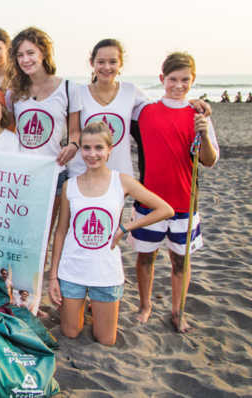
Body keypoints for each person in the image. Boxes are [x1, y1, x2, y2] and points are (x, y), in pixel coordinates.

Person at [48, 121, 174, 345]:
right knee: (70, 332)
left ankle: (92, 308)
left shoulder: (122, 181)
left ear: (109, 149)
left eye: (99, 148)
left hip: (105, 271)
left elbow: (165, 209)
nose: (92, 154)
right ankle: (81, 309)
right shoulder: (71, 185)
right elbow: (60, 232)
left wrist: (125, 227)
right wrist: (53, 275)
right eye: (86, 148)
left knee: (106, 339)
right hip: (72, 269)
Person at [131, 52, 219, 333]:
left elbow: (209, 159)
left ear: (192, 81)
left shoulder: (199, 115)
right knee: (146, 257)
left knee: (180, 261)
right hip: (149, 201)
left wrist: (203, 132)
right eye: (172, 79)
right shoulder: (144, 111)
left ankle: (178, 312)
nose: (178, 85)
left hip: (184, 202)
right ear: (162, 79)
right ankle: (145, 306)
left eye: (185, 80)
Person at [67, 39, 211, 179]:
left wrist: (191, 102)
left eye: (113, 62)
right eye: (101, 62)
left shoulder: (131, 91)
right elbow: (70, 128)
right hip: (82, 171)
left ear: (120, 64)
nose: (107, 67)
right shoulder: (78, 93)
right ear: (92, 63)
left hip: (119, 174)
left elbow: (162, 106)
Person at [6, 27, 82, 230]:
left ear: (43, 53)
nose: (25, 60)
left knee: (44, 234)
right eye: (20, 55)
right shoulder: (13, 93)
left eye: (31, 53)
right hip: (22, 175)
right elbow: (11, 133)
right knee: (20, 232)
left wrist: (74, 145)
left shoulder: (68, 88)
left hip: (54, 172)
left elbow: (75, 131)